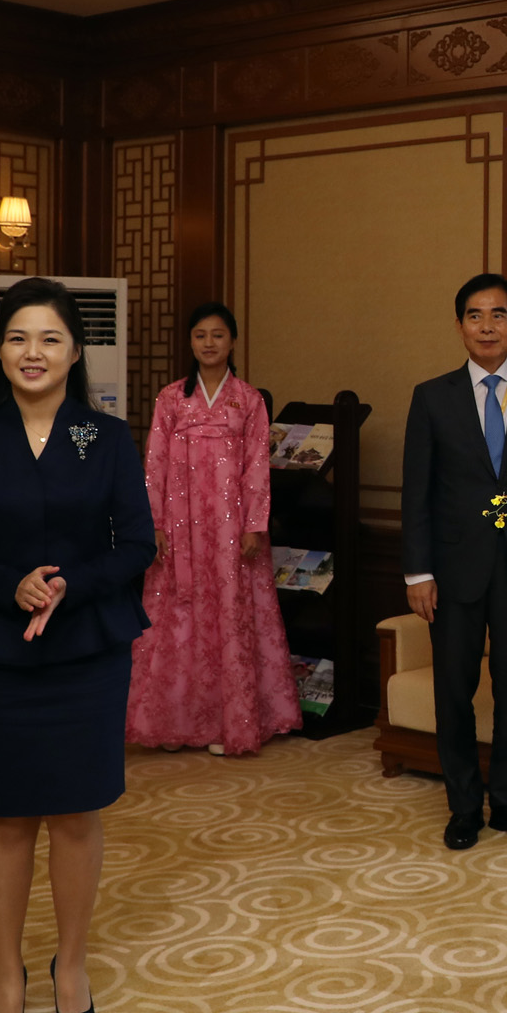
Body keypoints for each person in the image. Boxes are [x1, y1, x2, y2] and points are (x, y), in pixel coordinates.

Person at [0, 277, 156, 1013]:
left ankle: (73, 964)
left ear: (75, 350)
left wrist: (67, 585)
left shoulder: (105, 435)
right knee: (8, 815)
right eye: (19, 337)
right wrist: (8, 583)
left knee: (77, 812)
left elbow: (138, 545)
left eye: (50, 338)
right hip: (2, 649)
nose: (34, 352)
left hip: (88, 646)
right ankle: (6, 973)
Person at [402, 273, 507, 849]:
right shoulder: (432, 397)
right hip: (452, 570)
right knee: (453, 687)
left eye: (499, 315)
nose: (487, 326)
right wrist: (417, 572)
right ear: (459, 326)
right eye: (475, 316)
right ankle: (462, 806)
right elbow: (417, 490)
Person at [125, 301, 300, 755]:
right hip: (179, 527)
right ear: (190, 342)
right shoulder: (170, 399)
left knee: (230, 616)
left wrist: (253, 525)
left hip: (231, 529)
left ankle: (231, 725)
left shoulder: (249, 399)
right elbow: (154, 464)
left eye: (218, 335)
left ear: (233, 341)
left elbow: (258, 465)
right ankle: (172, 722)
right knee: (176, 619)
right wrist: (156, 524)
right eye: (200, 335)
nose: (209, 343)